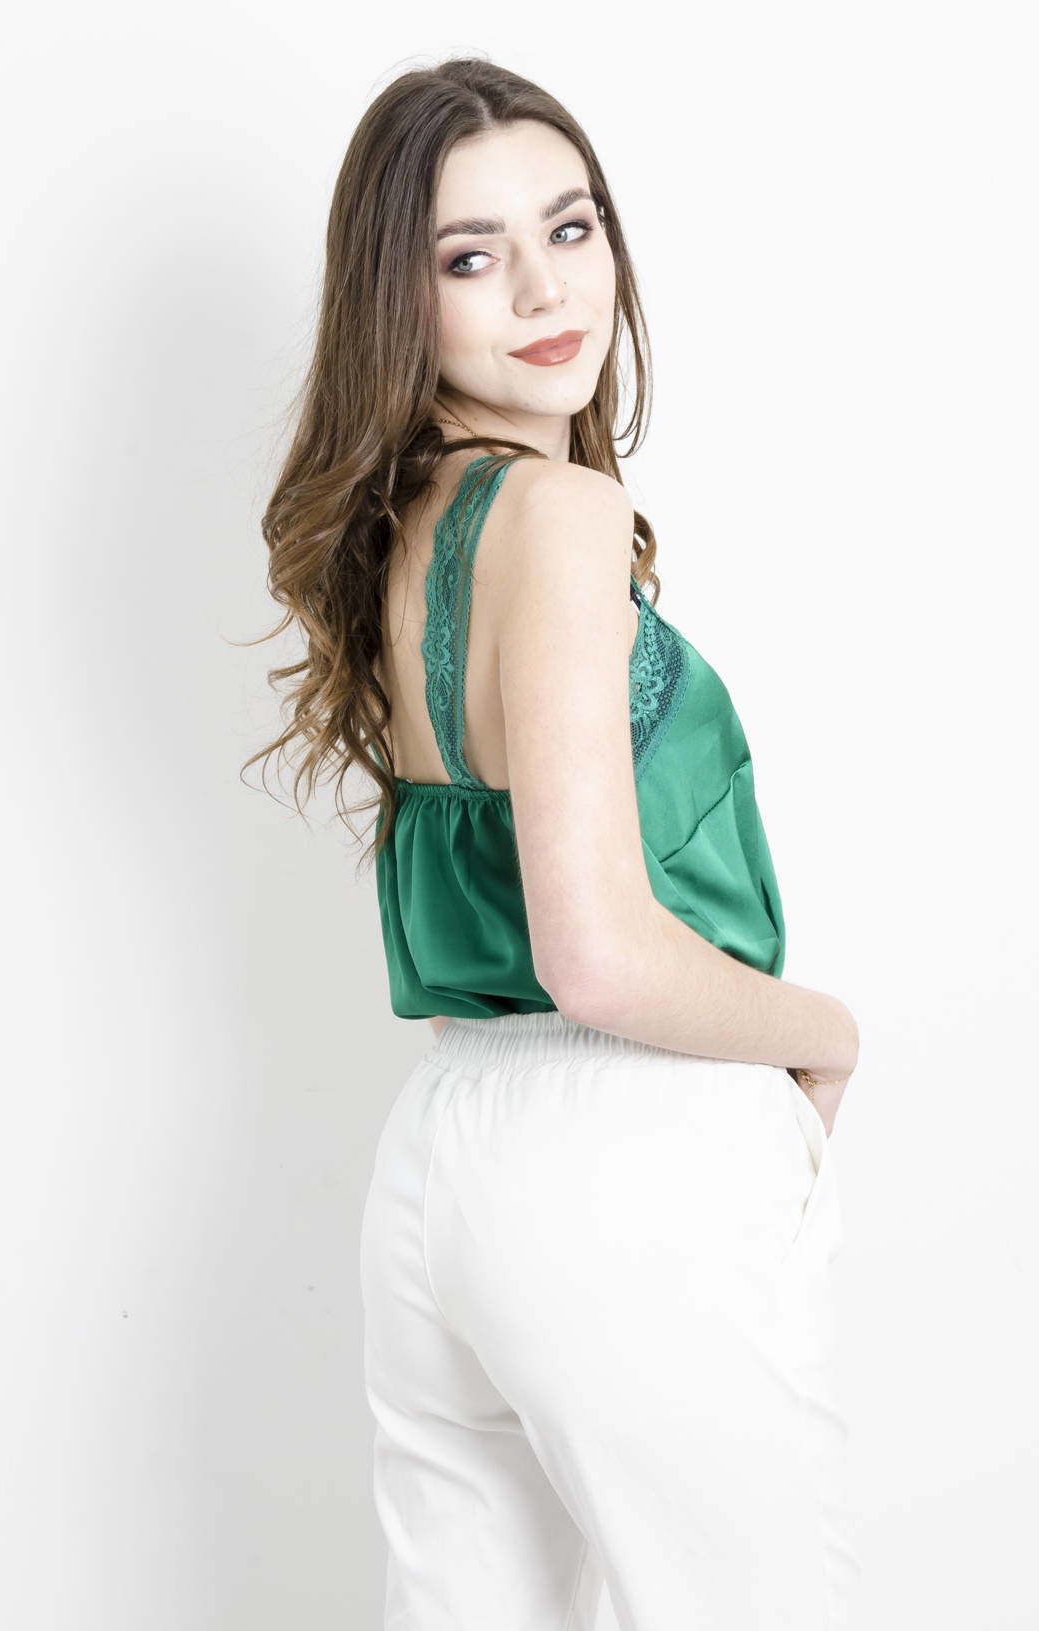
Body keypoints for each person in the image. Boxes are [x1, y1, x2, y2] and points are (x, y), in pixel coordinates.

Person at [245, 54, 861, 1631]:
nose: (543, 287)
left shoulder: (401, 534)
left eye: (570, 228)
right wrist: (821, 1033)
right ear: (399, 299)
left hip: (445, 1165)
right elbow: (592, 947)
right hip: (631, 1150)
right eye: (472, 255)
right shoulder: (559, 519)